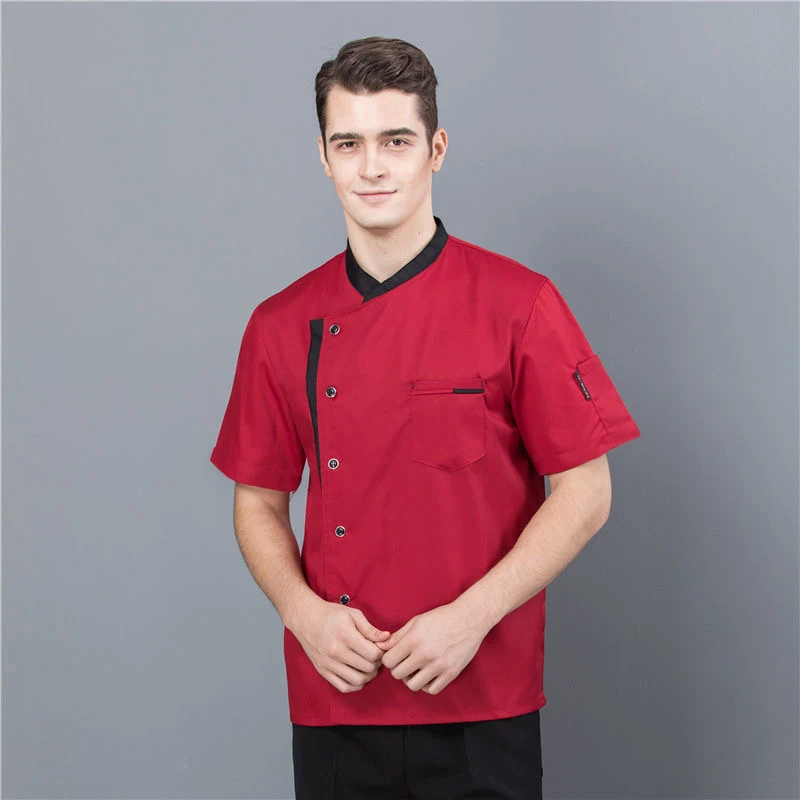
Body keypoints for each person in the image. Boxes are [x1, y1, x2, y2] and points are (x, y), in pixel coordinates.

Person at [209, 35, 641, 800]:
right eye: (349, 143)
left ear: (436, 150)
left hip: (483, 696)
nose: (372, 167)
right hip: (338, 697)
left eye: (396, 141)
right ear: (324, 158)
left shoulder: (520, 304)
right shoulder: (279, 325)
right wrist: (302, 614)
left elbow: (587, 493)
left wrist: (471, 618)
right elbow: (258, 503)